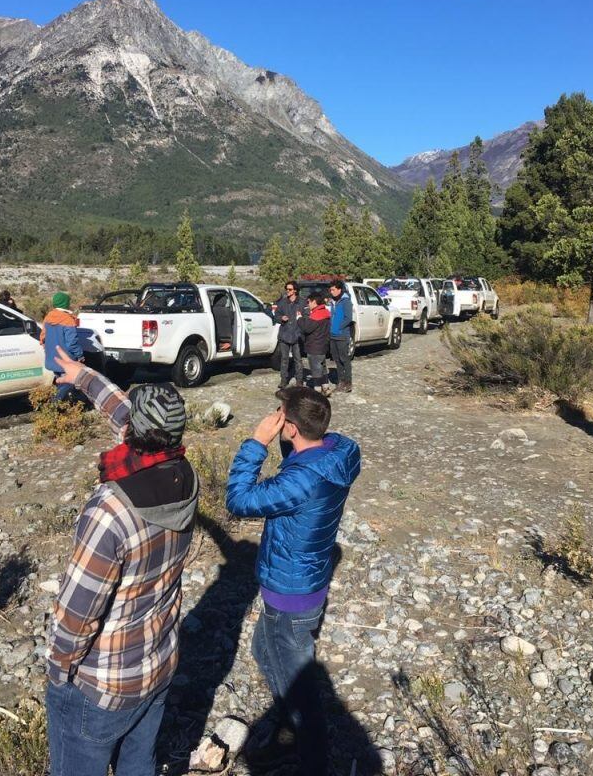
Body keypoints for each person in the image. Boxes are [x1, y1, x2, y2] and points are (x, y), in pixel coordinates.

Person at [46, 345, 199, 776]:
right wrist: (83, 376)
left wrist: (59, 672)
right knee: (139, 766)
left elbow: (78, 614)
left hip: (104, 684)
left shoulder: (110, 511)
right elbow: (125, 414)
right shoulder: (184, 475)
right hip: (158, 664)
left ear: (134, 431)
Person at [226, 387, 361, 776]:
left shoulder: (301, 481)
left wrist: (256, 443)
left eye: (280, 413)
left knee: (301, 689)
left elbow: (239, 499)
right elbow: (299, 464)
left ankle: (311, 759)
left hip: (290, 594)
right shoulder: (338, 452)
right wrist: (292, 437)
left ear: (292, 427)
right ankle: (290, 728)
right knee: (263, 652)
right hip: (300, 583)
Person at [41, 292, 84, 401]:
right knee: (70, 381)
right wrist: (80, 355)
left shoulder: (48, 317)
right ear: (66, 303)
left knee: (60, 381)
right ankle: (54, 404)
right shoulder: (67, 319)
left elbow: (43, 338)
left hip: (51, 358)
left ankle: (63, 405)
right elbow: (72, 343)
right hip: (65, 360)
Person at [298, 289, 332, 396]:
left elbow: (307, 328)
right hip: (323, 345)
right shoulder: (325, 313)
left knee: (315, 368)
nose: (308, 304)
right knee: (322, 367)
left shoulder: (317, 315)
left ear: (314, 302)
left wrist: (299, 319)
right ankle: (325, 387)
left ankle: (316, 391)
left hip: (314, 346)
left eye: (308, 302)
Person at [273, 280, 305, 388]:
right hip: (284, 334)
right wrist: (281, 318)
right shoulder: (282, 302)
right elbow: (276, 316)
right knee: (284, 359)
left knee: (298, 359)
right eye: (286, 289)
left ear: (295, 290)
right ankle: (283, 380)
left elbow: (306, 316)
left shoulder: (302, 302)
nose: (288, 291)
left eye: (290, 289)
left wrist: (301, 320)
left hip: (297, 335)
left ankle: (299, 381)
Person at [328, 280, 354, 392]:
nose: (331, 292)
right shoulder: (333, 302)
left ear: (339, 289)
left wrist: (338, 327)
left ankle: (348, 383)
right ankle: (340, 381)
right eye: (330, 290)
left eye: (333, 289)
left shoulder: (346, 302)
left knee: (344, 359)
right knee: (337, 360)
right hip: (332, 336)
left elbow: (348, 318)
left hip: (342, 335)